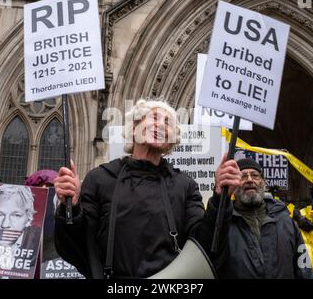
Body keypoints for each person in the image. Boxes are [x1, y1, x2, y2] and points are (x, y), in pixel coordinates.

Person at [54, 98, 230, 278]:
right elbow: (77, 246)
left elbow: (203, 244)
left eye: (167, 123)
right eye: (153, 118)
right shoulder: (100, 179)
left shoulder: (184, 186)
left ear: (171, 142)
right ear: (133, 128)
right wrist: (71, 206)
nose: (160, 125)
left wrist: (219, 197)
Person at [196, 157, 313, 279]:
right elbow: (205, 251)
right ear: (234, 186)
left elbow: (304, 271)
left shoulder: (287, 223)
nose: (249, 180)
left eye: (255, 175)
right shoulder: (221, 223)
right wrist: (218, 198)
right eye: (242, 176)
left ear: (264, 182)